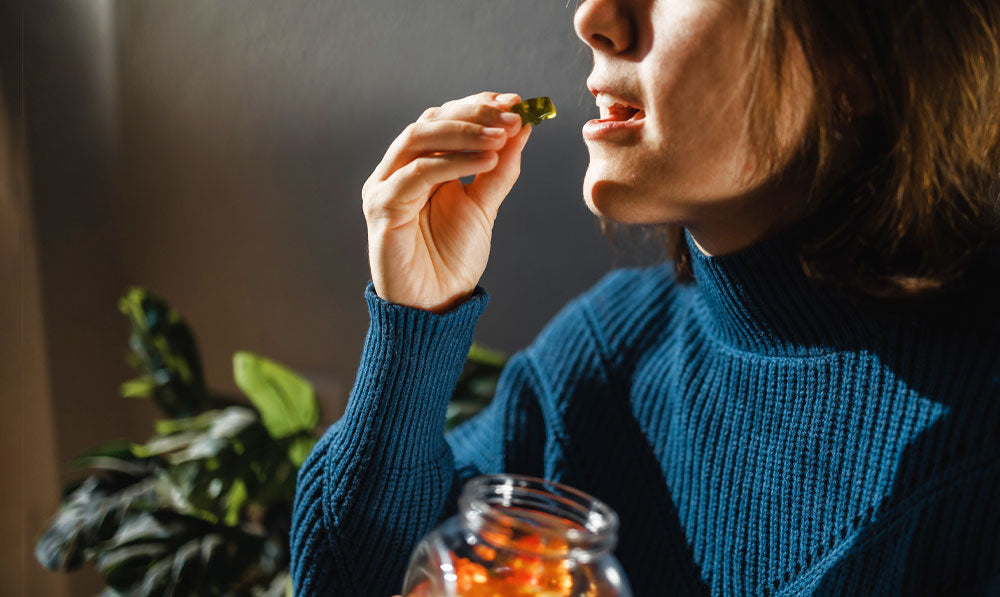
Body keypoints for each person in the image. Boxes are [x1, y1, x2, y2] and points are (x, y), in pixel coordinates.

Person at [291, 0, 1000, 594]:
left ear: (863, 53)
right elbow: (350, 578)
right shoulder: (604, 358)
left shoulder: (973, 453)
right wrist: (414, 327)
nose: (593, 16)